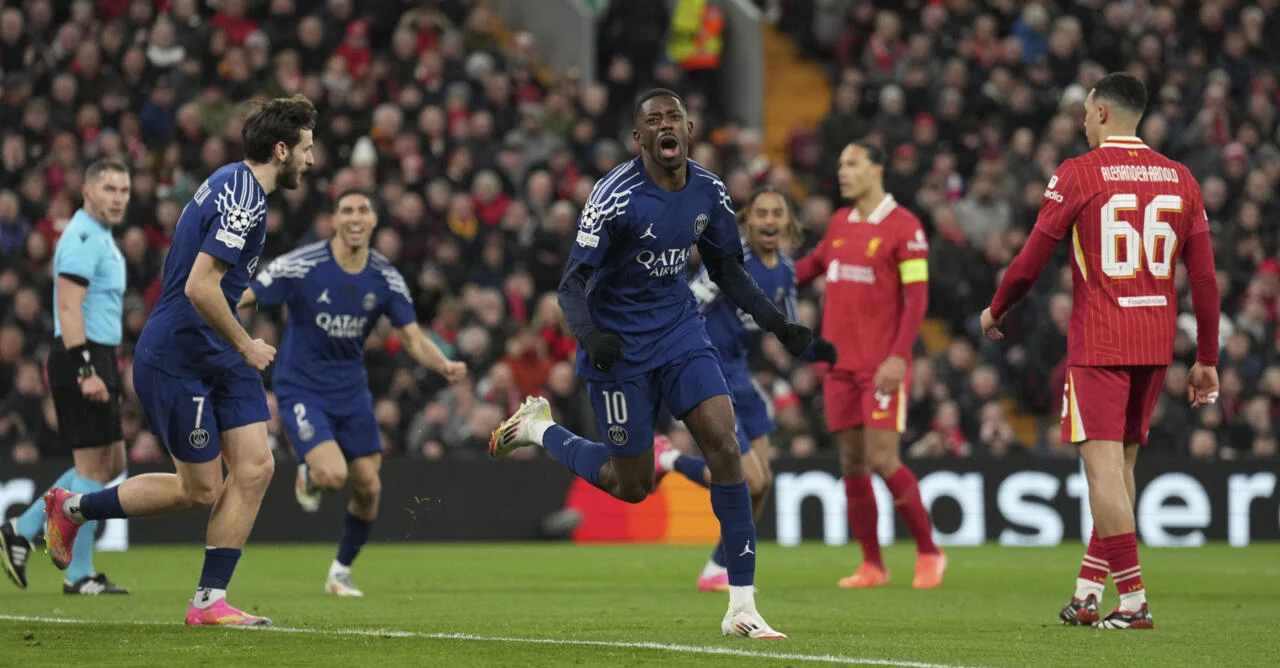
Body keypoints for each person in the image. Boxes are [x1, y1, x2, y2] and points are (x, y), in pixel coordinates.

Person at [488, 88, 824, 639]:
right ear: (639, 138)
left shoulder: (710, 191)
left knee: (723, 442)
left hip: (679, 332)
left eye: (675, 116)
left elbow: (727, 269)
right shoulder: (614, 196)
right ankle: (538, 428)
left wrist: (776, 323)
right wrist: (591, 336)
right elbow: (571, 285)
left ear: (689, 129)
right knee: (631, 484)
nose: (667, 125)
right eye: (654, 120)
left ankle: (742, 605)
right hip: (618, 348)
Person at [41, 94, 317, 627]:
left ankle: (209, 602)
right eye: (305, 149)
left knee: (257, 467)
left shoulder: (232, 178)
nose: (310, 160)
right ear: (281, 149)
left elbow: (215, 281)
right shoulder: (245, 200)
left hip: (214, 350)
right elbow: (199, 286)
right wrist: (246, 344)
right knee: (200, 490)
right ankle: (72, 508)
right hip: (178, 355)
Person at [981, 72, 1220, 630]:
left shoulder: (1079, 174)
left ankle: (1133, 602)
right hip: (1156, 343)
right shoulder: (1181, 178)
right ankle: (1089, 591)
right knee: (1122, 467)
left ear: (1105, 114)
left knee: (1102, 472)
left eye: (1087, 112)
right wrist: (1206, 356)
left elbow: (1031, 261)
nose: (1083, 122)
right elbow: (1204, 280)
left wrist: (997, 308)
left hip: (1101, 341)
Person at [238, 189, 467, 597]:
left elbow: (412, 337)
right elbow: (248, 295)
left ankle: (339, 573)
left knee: (369, 487)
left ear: (374, 220)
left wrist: (443, 364)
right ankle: (310, 473)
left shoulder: (384, 276)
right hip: (302, 388)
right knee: (333, 474)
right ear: (334, 220)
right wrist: (205, 303)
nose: (355, 217)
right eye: (347, 210)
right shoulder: (301, 264)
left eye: (363, 210)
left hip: (352, 391)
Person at [655, 185, 835, 592]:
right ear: (747, 221)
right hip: (711, 373)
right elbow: (687, 303)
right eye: (760, 213)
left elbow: (788, 331)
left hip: (742, 374)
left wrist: (828, 356)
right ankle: (666, 459)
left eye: (776, 213)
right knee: (748, 481)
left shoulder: (785, 269)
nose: (768, 220)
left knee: (763, 485)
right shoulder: (729, 262)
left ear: (786, 222)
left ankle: (719, 568)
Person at [793, 141, 946, 590]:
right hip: (839, 366)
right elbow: (806, 269)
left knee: (882, 459)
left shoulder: (905, 227)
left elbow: (917, 298)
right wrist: (758, 270)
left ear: (877, 170)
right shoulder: (840, 224)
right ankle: (873, 565)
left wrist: (899, 356)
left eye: (852, 164)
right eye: (840, 164)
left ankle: (930, 552)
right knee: (852, 464)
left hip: (881, 366)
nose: (842, 172)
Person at [1, 159, 132, 595]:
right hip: (83, 355)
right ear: (87, 192)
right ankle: (79, 574)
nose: (118, 198)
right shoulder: (80, 238)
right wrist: (86, 370)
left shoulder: (100, 237)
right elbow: (67, 308)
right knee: (93, 468)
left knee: (111, 463)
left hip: (99, 355)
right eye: (109, 189)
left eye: (124, 190)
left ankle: (24, 526)